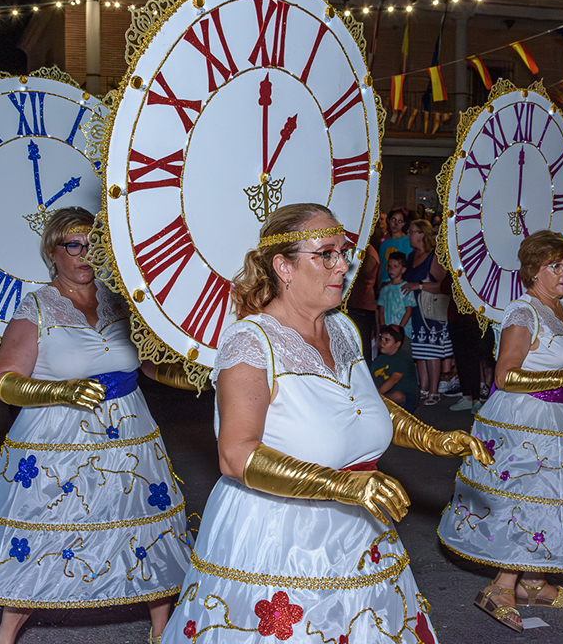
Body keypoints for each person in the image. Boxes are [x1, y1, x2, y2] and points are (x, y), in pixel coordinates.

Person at [161, 202, 491, 642]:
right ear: (284, 266)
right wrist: (343, 485)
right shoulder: (251, 343)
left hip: (360, 529)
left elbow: (360, 406)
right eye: (327, 254)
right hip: (281, 537)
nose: (343, 265)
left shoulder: (342, 329)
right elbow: (235, 454)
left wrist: (433, 438)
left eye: (344, 252)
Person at [0, 208, 193, 644]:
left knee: (145, 525)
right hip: (57, 442)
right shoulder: (36, 308)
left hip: (130, 437)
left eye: (94, 245)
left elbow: (149, 366)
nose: (85, 254)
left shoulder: (121, 300)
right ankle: (5, 636)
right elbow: (1, 382)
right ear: (52, 251)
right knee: (45, 530)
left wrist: (198, 377)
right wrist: (60, 392)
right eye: (74, 245)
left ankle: (162, 629)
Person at [437, 230, 563, 632]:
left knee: (556, 498)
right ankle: (501, 586)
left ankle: (533, 579)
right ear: (533, 271)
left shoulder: (561, 307)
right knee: (528, 498)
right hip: (527, 418)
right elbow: (506, 375)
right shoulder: (523, 312)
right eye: (555, 266)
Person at [403, 218, 453, 406]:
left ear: (422, 234)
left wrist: (420, 285)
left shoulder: (434, 257)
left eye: (412, 231)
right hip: (415, 310)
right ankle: (423, 388)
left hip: (430, 311)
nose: (408, 234)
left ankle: (434, 390)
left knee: (433, 352)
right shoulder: (410, 256)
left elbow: (444, 286)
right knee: (420, 351)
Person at [371, 325, 422, 413]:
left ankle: (375, 403)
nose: (382, 342)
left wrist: (375, 396)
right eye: (381, 338)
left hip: (406, 398)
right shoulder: (378, 359)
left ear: (397, 344)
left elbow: (393, 380)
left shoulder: (403, 358)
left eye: (387, 340)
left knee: (397, 395)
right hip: (383, 396)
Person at [346, 230, 380, 361]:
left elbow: (362, 276)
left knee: (362, 346)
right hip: (357, 303)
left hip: (363, 305)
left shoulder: (369, 254)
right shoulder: (364, 251)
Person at [378, 251, 413, 338]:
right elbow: (381, 310)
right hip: (387, 331)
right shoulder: (385, 288)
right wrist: (383, 326)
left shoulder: (406, 287)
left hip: (404, 332)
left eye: (395, 266)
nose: (391, 269)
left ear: (403, 270)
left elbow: (408, 311)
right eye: (389, 266)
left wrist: (400, 328)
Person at [378, 207, 411, 285]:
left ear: (404, 224)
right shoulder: (385, 243)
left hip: (400, 283)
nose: (396, 224)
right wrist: (378, 284)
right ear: (388, 220)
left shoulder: (407, 242)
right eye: (393, 220)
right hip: (384, 283)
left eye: (400, 221)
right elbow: (381, 266)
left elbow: (408, 265)